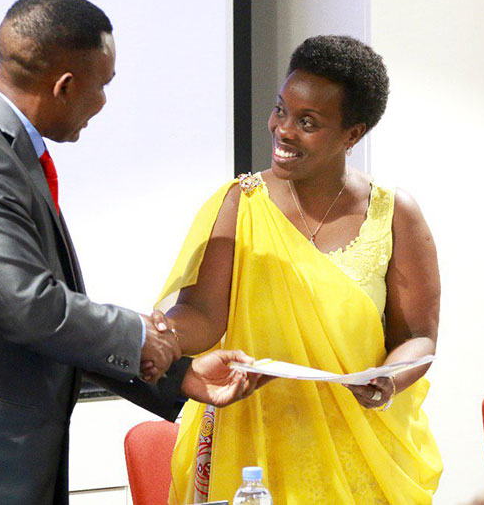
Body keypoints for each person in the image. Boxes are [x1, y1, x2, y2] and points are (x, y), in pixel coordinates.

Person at [0, 0, 265, 505]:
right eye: (102, 86)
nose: (104, 103)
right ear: (63, 85)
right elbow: (31, 307)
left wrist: (180, 374)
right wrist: (138, 335)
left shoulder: (3, 152)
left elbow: (39, 323)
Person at [156, 35, 443, 504]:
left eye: (307, 122)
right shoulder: (239, 204)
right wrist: (152, 333)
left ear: (353, 135)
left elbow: (418, 336)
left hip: (363, 450)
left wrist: (387, 379)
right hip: (253, 446)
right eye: (280, 110)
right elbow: (203, 317)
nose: (283, 130)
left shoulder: (394, 214)